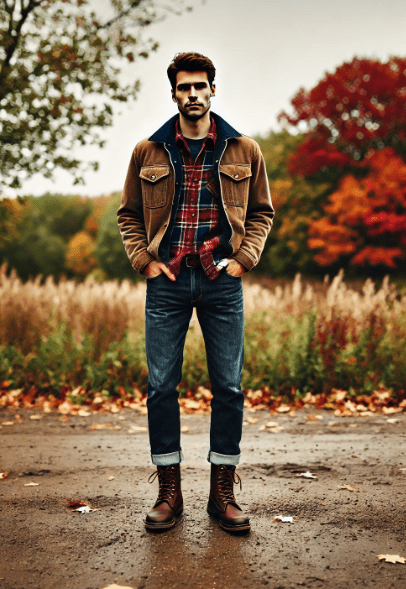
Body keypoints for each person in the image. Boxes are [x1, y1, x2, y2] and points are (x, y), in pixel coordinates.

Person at [117, 52, 274, 533]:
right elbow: (128, 214)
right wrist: (145, 261)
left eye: (199, 86)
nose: (192, 94)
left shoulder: (243, 150)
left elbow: (262, 212)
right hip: (167, 284)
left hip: (220, 282)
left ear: (211, 91)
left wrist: (243, 260)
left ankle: (221, 494)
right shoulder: (148, 151)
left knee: (228, 387)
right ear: (173, 94)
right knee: (162, 387)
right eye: (184, 87)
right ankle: (169, 492)